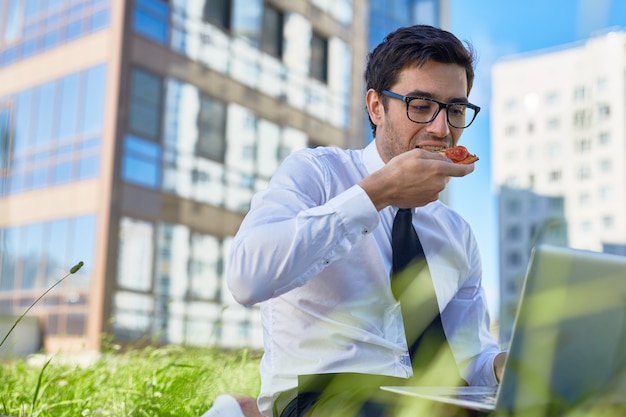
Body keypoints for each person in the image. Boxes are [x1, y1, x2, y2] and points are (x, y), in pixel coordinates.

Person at [205, 24, 507, 417]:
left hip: (429, 404)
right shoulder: (316, 173)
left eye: (454, 109)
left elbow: (469, 356)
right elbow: (246, 278)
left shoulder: (457, 233)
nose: (441, 129)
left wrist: (505, 366)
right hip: (322, 397)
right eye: (420, 105)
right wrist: (377, 193)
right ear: (376, 106)